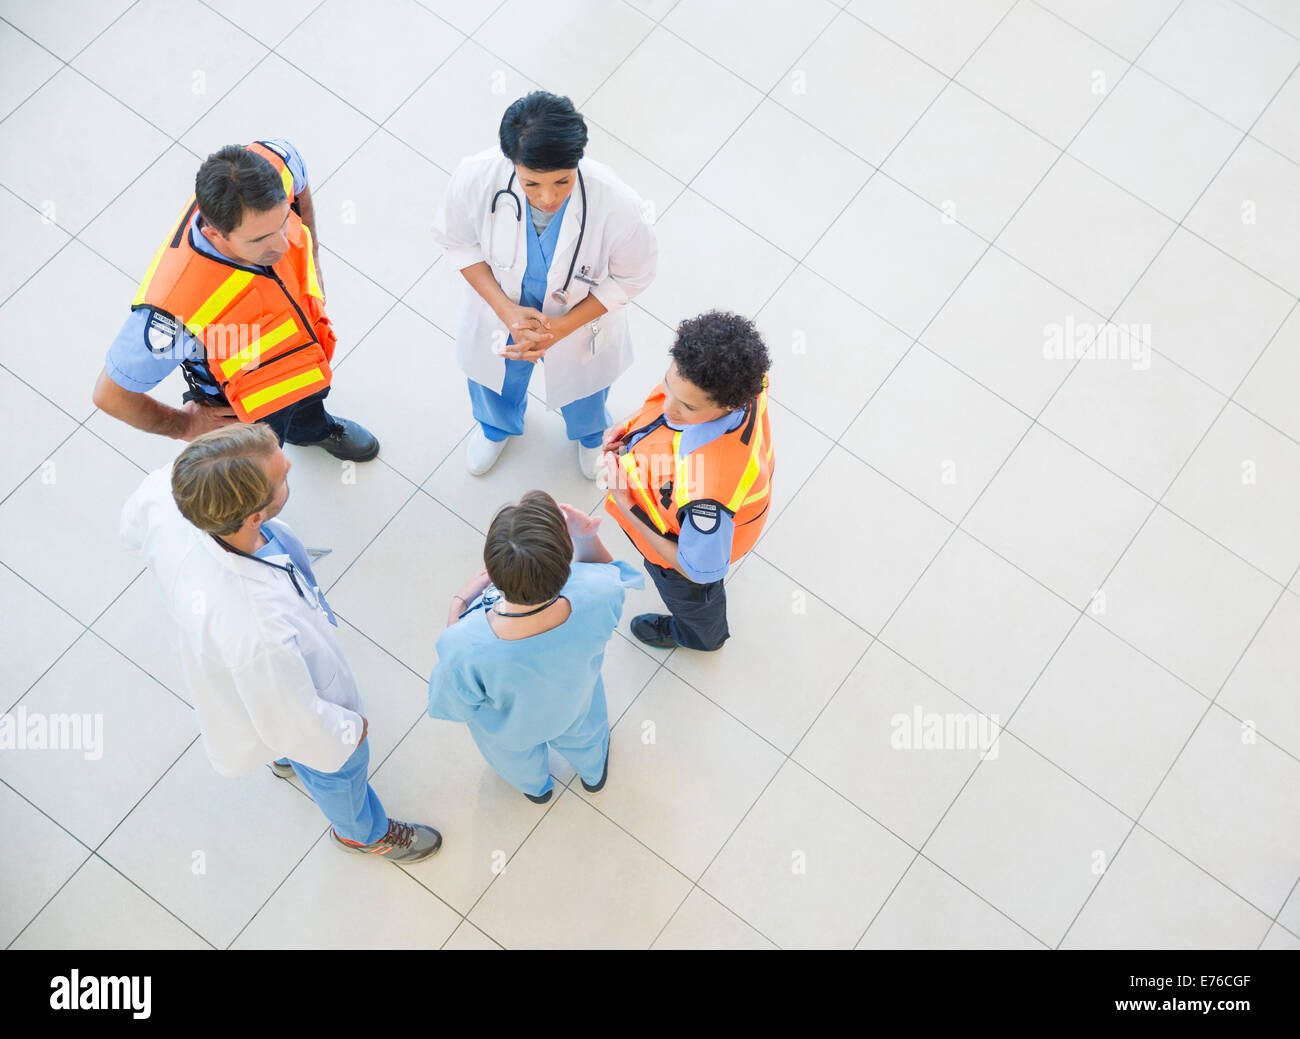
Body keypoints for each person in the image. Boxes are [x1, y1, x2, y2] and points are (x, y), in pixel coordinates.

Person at [120, 423, 440, 863]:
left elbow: (132, 528)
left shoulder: (170, 488)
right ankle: (363, 833)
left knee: (281, 727)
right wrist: (349, 731)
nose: (290, 465)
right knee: (338, 776)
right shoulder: (257, 630)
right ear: (254, 516)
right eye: (283, 475)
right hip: (304, 718)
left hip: (261, 687)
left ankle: (284, 760)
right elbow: (297, 724)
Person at [92, 140, 379, 460]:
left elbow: (299, 185)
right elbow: (111, 395)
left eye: (283, 222)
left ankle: (312, 429)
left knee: (308, 399)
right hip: (244, 405)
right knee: (257, 474)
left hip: (302, 354)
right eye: (260, 239)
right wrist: (184, 425)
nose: (283, 246)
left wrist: (313, 258)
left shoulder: (275, 161)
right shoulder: (174, 307)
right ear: (216, 234)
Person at [431, 91, 658, 479]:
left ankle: (590, 437)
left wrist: (560, 329)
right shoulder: (476, 177)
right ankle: (496, 427)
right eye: (532, 183)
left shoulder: (618, 204)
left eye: (562, 181)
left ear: (578, 162)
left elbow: (632, 276)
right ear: (512, 163)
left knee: (586, 389)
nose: (548, 197)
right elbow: (458, 242)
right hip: (499, 311)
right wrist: (506, 311)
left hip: (581, 320)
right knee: (494, 377)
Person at [428, 491, 643, 803]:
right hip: (576, 706)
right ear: (567, 562)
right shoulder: (598, 592)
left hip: (511, 731)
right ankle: (593, 776)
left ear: (492, 571)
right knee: (588, 740)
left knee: (515, 762)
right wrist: (585, 537)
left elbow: (455, 705)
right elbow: (607, 574)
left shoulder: (463, 644)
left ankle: (537, 790)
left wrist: (459, 603)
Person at [601, 311, 774, 652]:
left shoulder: (707, 497)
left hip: (681, 560)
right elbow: (668, 411)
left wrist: (626, 502)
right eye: (668, 386)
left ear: (728, 404)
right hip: (679, 503)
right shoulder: (737, 379)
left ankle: (697, 637)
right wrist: (633, 428)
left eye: (687, 406)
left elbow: (697, 570)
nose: (668, 408)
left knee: (696, 604)